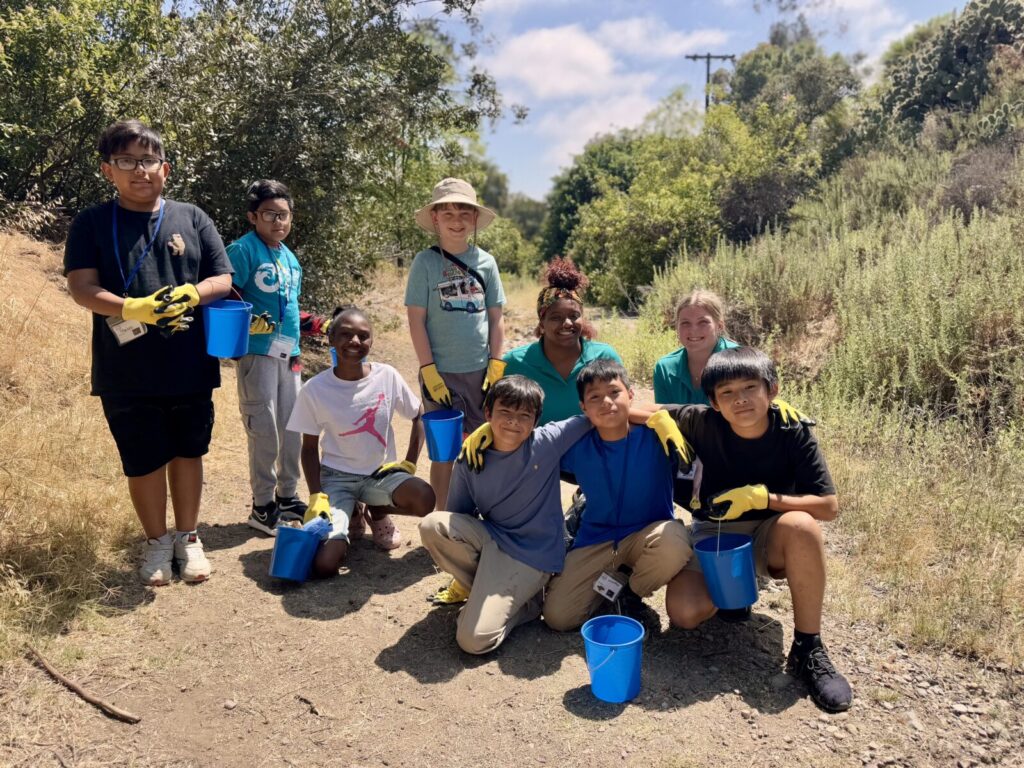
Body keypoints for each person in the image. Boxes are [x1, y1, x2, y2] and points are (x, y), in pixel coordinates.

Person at [64, 119, 233, 585]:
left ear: (166, 167)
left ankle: (189, 537)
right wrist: (131, 307)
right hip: (125, 367)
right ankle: (157, 542)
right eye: (126, 161)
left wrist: (193, 295)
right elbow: (82, 287)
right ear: (108, 170)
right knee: (142, 458)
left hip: (190, 362)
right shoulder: (92, 222)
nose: (139, 171)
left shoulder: (192, 217)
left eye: (148, 160)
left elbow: (224, 277)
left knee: (188, 451)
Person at [653, 347, 852, 713]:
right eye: (726, 393)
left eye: (750, 388)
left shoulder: (792, 429)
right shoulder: (701, 421)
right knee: (684, 613)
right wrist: (661, 421)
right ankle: (735, 592)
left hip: (769, 533)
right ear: (712, 402)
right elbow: (624, 406)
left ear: (772, 390)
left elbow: (828, 506)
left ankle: (809, 648)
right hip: (713, 534)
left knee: (803, 526)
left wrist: (764, 498)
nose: (740, 399)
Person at [418, 375, 594, 654]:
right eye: (505, 412)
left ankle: (528, 605)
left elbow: (596, 415)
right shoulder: (472, 456)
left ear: (536, 421)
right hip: (493, 539)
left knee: (473, 641)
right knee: (433, 525)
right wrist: (474, 437)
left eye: (525, 415)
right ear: (488, 413)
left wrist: (661, 416)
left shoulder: (546, 442)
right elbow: (457, 517)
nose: (514, 421)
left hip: (534, 557)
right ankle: (481, 588)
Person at [541, 360, 694, 632]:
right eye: (594, 397)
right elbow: (527, 448)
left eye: (614, 392)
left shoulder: (657, 435)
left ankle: (631, 593)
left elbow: (710, 419)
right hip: (596, 538)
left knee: (674, 543)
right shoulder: (576, 446)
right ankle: (609, 580)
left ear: (632, 396)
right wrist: (488, 431)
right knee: (558, 618)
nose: (606, 402)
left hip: (649, 534)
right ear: (583, 408)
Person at [286, 308, 435, 577]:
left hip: (380, 475)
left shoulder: (386, 376)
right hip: (336, 480)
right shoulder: (315, 389)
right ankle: (349, 511)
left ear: (371, 342)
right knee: (324, 564)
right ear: (330, 339)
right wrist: (316, 495)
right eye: (345, 334)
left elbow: (418, 415)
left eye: (363, 336)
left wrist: (409, 464)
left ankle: (376, 511)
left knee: (424, 498)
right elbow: (308, 450)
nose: (354, 341)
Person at [405, 178, 506, 514]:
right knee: (444, 452)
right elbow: (416, 319)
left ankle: (482, 516)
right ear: (435, 218)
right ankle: (443, 523)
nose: (456, 218)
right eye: (446, 211)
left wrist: (496, 364)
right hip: (441, 375)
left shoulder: (487, 263)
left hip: (481, 374)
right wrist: (428, 370)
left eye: (464, 210)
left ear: (475, 218)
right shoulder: (425, 263)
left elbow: (496, 318)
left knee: (486, 447)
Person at [226, 179, 310, 535]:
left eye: (284, 215)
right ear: (253, 217)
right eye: (270, 215)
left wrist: (314, 325)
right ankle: (262, 505)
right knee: (264, 430)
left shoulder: (288, 256)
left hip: (290, 355)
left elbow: (292, 309)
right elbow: (225, 295)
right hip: (257, 355)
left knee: (293, 427)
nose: (278, 222)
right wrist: (246, 325)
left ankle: (287, 495)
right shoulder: (243, 251)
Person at [503, 257, 621, 425]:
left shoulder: (605, 357)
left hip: (595, 450)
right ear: (541, 323)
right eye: (555, 317)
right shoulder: (515, 363)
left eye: (574, 316)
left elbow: (623, 410)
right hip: (538, 451)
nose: (567, 323)